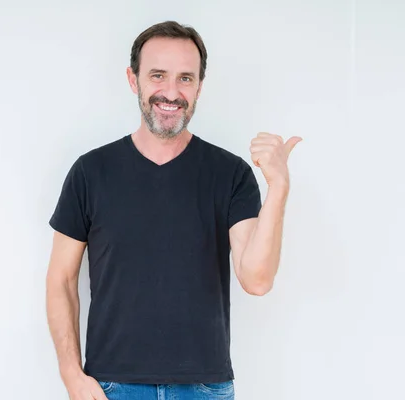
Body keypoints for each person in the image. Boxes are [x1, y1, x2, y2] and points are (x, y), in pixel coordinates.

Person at [45, 20, 301, 400]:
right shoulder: (90, 172)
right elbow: (61, 281)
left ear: (199, 86)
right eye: (158, 75)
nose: (171, 91)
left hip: (204, 388)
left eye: (185, 78)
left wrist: (278, 187)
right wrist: (71, 375)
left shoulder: (231, 175)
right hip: (111, 387)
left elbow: (257, 279)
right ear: (134, 80)